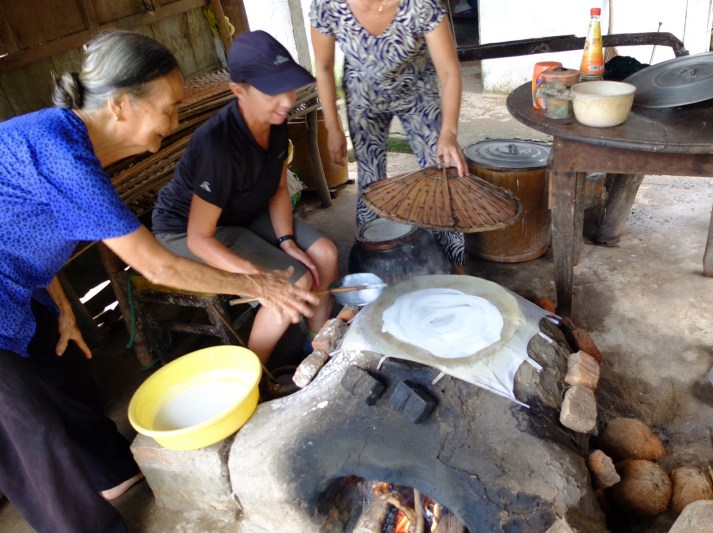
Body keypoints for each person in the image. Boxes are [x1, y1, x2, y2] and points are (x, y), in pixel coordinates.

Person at [0, 30, 317, 533]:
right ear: (122, 105)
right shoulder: (61, 153)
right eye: (168, 108)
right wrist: (263, 287)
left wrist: (60, 306)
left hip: (18, 288)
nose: (173, 124)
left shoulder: (71, 151)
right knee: (30, 440)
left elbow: (24, 230)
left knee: (69, 381)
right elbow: (158, 265)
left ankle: (117, 476)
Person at [151, 31, 339, 364]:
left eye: (289, 87)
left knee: (324, 254)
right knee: (292, 285)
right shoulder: (219, 146)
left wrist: (286, 241)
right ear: (238, 91)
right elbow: (199, 239)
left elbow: (279, 188)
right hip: (187, 231)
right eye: (272, 91)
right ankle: (256, 376)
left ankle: (317, 348)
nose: (286, 100)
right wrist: (259, 279)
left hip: (241, 211)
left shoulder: (276, 119)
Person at [309, 0, 468, 272]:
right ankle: (373, 267)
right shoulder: (327, 5)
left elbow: (449, 71)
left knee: (441, 171)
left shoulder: (420, 4)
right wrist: (333, 127)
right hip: (363, 94)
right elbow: (323, 68)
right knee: (370, 183)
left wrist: (449, 133)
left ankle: (455, 268)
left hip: (418, 89)